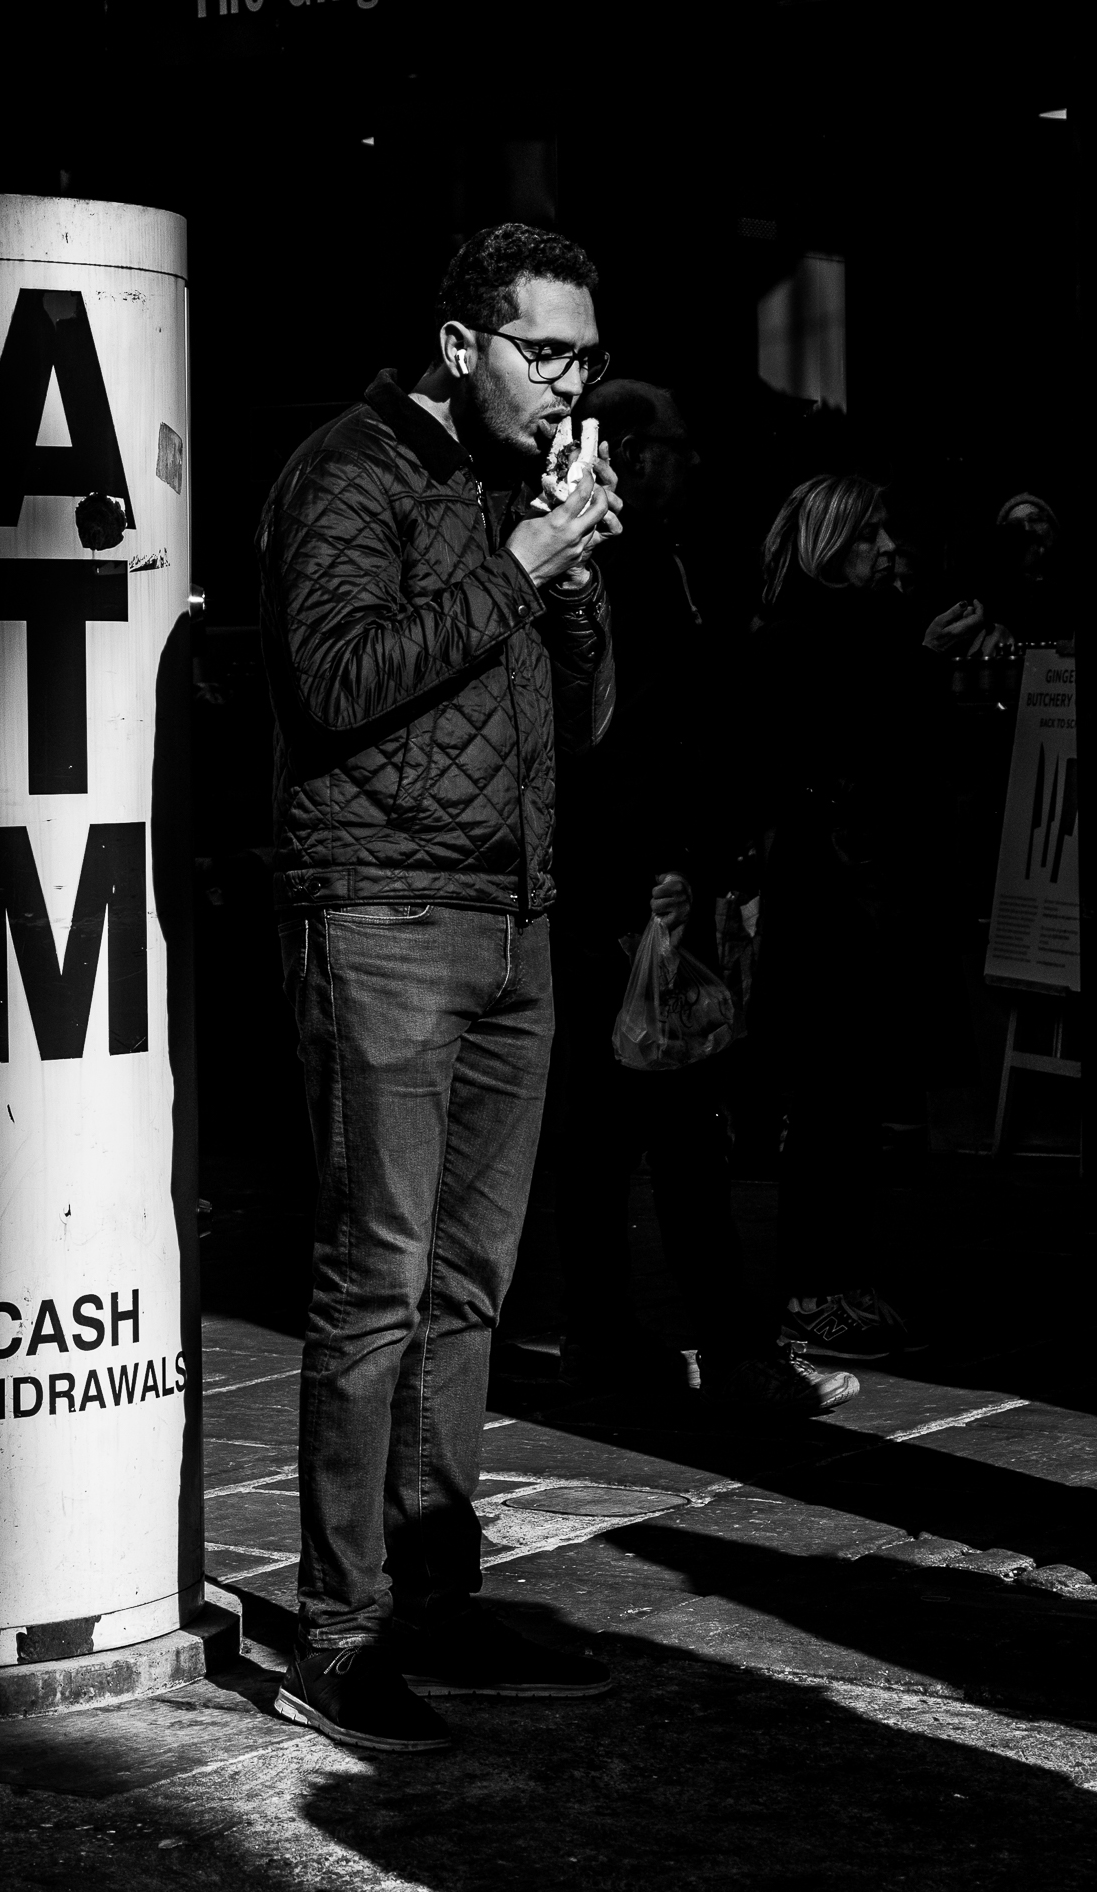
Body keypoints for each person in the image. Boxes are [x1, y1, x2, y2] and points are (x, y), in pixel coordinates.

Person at [258, 221, 619, 1753]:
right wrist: (522, 565)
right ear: (463, 345)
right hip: (387, 914)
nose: (570, 382)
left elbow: (586, 721)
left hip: (512, 916)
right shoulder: (353, 471)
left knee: (469, 1294)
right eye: (545, 352)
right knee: (375, 1291)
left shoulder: (505, 489)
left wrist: (575, 570)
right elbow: (332, 682)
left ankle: (434, 1599)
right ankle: (339, 1635)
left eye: (587, 357)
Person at [547, 382, 857, 1418]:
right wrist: (661, 868)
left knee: (615, 1131)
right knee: (675, 1129)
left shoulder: (660, 561)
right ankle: (729, 1350)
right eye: (676, 447)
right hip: (634, 885)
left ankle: (611, 1339)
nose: (693, 465)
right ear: (631, 453)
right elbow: (617, 735)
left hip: (637, 878)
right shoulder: (615, 568)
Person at [750, 473, 936, 1364]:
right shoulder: (815, 638)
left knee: (847, 1097)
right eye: (871, 536)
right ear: (834, 544)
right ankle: (815, 1288)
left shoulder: (832, 631)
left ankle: (834, 1279)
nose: (890, 550)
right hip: (832, 898)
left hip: (839, 889)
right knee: (832, 1096)